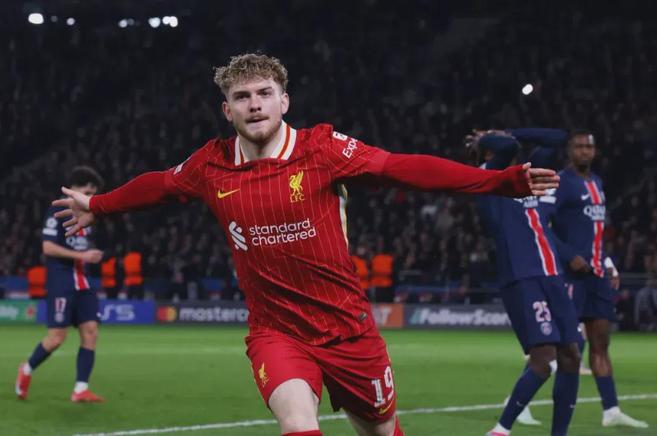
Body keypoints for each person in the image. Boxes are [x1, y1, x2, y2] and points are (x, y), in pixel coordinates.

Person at [52, 53, 558, 436]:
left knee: (382, 429)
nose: (254, 104)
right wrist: (98, 205)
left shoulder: (322, 149)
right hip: (278, 332)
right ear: (227, 109)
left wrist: (499, 181)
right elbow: (159, 185)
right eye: (242, 97)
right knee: (298, 425)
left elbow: (403, 168)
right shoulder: (211, 165)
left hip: (348, 330)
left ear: (284, 101)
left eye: (264, 93)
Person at [468, 129, 581, 436]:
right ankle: (500, 430)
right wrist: (490, 138)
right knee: (543, 360)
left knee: (571, 354)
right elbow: (507, 146)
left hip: (551, 274)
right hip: (522, 276)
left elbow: (557, 138)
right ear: (487, 153)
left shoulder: (525, 176)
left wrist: (511, 132)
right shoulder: (487, 178)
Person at [547, 130, 648, 428]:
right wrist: (568, 255)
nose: (584, 151)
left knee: (601, 344)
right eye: (579, 146)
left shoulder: (597, 184)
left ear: (595, 151)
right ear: (570, 150)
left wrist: (608, 263)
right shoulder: (561, 182)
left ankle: (611, 410)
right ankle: (519, 402)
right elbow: (541, 224)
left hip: (597, 277)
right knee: (563, 349)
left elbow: (597, 234)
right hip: (570, 276)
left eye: (589, 147)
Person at [16, 166, 105, 403]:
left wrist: (89, 255)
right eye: (87, 191)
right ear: (74, 189)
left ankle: (80, 389)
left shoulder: (88, 216)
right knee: (56, 338)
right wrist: (82, 256)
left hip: (84, 282)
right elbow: (47, 247)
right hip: (62, 280)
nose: (89, 196)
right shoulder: (56, 211)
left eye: (93, 193)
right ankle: (26, 369)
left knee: (91, 332)